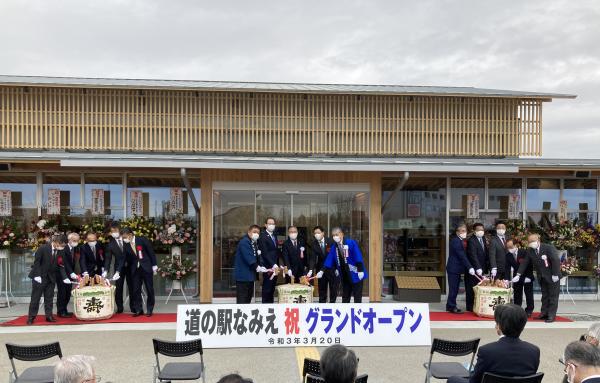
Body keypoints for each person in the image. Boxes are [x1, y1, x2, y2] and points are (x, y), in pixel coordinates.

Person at [447, 304, 540, 383]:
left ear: (498, 326)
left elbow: (474, 381)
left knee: (453, 379)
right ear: (522, 327)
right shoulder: (534, 351)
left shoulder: (487, 351)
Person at [513, 233, 561, 323]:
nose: (531, 243)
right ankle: (544, 313)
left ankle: (551, 315)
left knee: (553, 296)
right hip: (542, 277)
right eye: (529, 242)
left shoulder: (548, 248)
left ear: (538, 240)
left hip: (553, 276)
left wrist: (555, 274)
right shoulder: (530, 250)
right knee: (545, 296)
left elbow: (555, 260)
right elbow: (525, 262)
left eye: (533, 241)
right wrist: (518, 274)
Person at [27, 234, 68, 325]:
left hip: (51, 278)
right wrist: (37, 275)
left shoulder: (60, 251)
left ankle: (49, 316)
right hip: (40, 277)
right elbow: (37, 262)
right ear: (57, 242)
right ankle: (31, 317)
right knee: (35, 298)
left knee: (49, 298)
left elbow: (61, 265)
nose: (63, 247)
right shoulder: (43, 248)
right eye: (62, 245)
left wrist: (65, 277)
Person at [319, 227, 367, 303]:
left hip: (356, 273)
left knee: (357, 296)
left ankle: (357, 313)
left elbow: (358, 256)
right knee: (345, 297)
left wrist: (360, 270)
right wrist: (322, 271)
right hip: (345, 275)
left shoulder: (351, 243)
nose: (335, 237)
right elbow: (329, 259)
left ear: (341, 234)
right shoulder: (334, 247)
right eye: (333, 235)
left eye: (336, 234)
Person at [121, 227, 158, 317]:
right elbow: (123, 258)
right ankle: (138, 309)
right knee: (136, 290)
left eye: (125, 237)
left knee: (149, 289)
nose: (124, 239)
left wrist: (154, 265)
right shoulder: (126, 244)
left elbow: (151, 252)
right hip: (135, 269)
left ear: (130, 235)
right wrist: (118, 271)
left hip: (146, 267)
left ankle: (149, 309)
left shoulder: (142, 240)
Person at [234, 224, 268, 304]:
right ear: (249, 232)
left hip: (250, 276)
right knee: (243, 299)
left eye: (258, 233)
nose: (256, 234)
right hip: (243, 277)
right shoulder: (244, 242)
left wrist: (261, 266)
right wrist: (257, 267)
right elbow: (248, 257)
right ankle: (240, 315)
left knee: (248, 298)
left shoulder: (253, 243)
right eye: (254, 232)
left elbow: (256, 257)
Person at [446, 224, 474, 314]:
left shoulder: (460, 240)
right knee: (453, 288)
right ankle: (451, 306)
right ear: (457, 232)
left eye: (465, 231)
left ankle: (450, 305)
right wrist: (470, 267)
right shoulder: (456, 241)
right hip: (453, 268)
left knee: (455, 288)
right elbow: (461, 255)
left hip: (457, 268)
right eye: (462, 231)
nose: (464, 233)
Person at [105, 222, 132, 313]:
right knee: (119, 288)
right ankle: (120, 308)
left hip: (130, 266)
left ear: (119, 230)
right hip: (118, 269)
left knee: (132, 286)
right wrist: (105, 270)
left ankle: (133, 307)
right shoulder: (110, 244)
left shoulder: (126, 239)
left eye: (115, 230)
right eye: (112, 231)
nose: (114, 233)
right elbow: (108, 258)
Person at [505, 238, 534, 316]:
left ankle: (529, 310)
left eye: (511, 247)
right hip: (516, 277)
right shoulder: (508, 255)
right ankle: (517, 309)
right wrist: (507, 279)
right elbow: (507, 268)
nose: (509, 249)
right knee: (517, 293)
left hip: (527, 275)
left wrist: (529, 277)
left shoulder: (524, 252)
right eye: (508, 247)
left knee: (529, 294)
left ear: (516, 245)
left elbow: (530, 265)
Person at [309, 225, 338, 303]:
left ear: (323, 233)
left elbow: (331, 257)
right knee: (322, 290)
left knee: (333, 289)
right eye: (315, 233)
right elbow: (312, 258)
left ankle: (332, 306)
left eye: (318, 232)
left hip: (332, 269)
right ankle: (322, 306)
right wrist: (311, 270)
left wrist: (337, 268)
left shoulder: (331, 241)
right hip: (320, 270)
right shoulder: (314, 244)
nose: (316, 235)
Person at [55, 232, 80, 318]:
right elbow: (63, 263)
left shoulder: (75, 248)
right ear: (69, 240)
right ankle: (60, 311)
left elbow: (74, 261)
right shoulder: (63, 248)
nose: (76, 242)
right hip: (62, 273)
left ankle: (64, 309)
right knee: (62, 293)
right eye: (74, 240)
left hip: (70, 274)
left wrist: (75, 273)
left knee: (67, 293)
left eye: (77, 241)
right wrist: (70, 273)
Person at [257, 217, 281, 303]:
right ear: (265, 225)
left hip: (275, 266)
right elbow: (265, 252)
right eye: (269, 223)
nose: (271, 225)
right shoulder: (263, 236)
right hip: (268, 266)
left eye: (273, 224)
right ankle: (265, 306)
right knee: (267, 288)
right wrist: (273, 264)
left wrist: (278, 263)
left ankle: (271, 305)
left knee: (272, 288)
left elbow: (275, 250)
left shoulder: (274, 235)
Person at [465, 223, 487, 312]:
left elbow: (485, 253)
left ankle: (477, 306)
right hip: (473, 270)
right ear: (474, 231)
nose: (481, 231)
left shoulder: (483, 239)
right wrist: (477, 267)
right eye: (478, 230)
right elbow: (472, 255)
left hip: (481, 269)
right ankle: (470, 308)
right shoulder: (471, 241)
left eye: (482, 230)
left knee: (478, 288)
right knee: (471, 288)